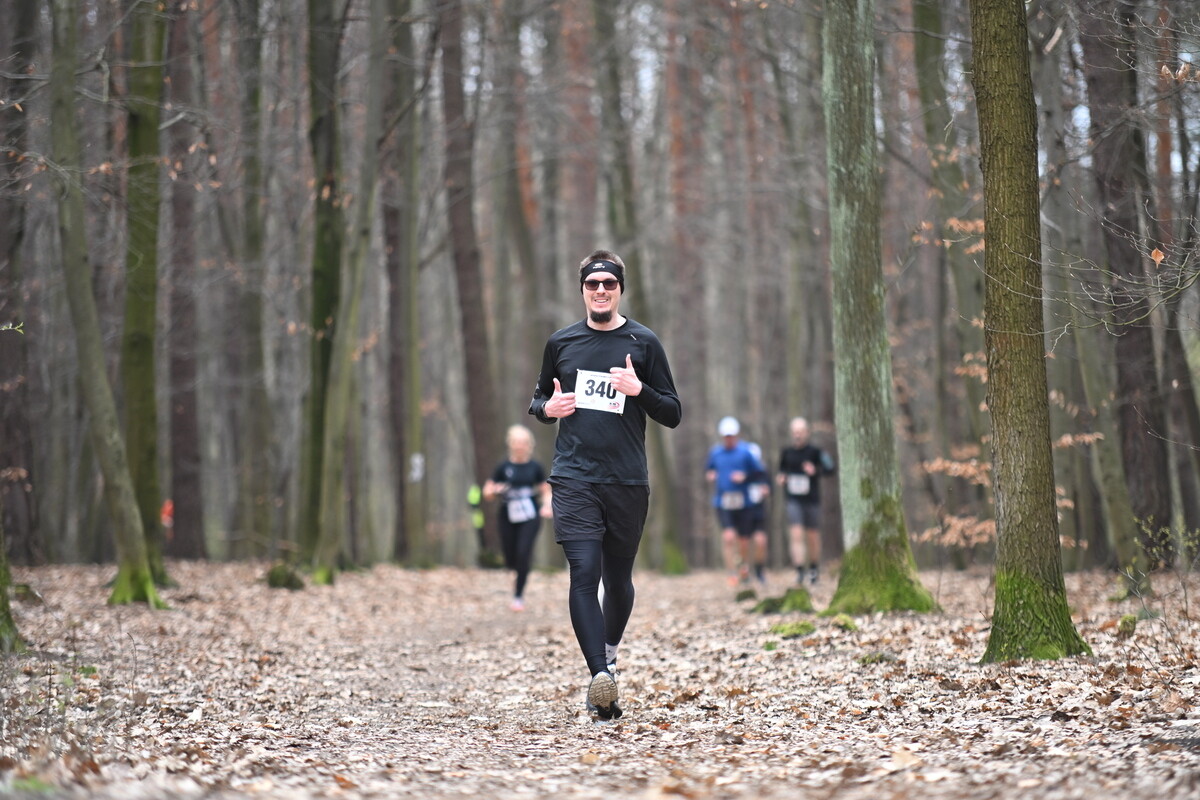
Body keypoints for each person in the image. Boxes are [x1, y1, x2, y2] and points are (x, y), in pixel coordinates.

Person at [528, 249, 681, 721]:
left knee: (618, 581)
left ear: (619, 289)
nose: (599, 291)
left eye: (608, 284)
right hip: (574, 476)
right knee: (583, 573)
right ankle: (600, 677)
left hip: (627, 480)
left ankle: (609, 655)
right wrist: (544, 411)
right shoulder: (561, 343)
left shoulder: (644, 342)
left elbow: (672, 413)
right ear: (581, 290)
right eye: (592, 284)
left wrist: (640, 392)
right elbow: (538, 398)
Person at [483, 424, 552, 612]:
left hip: (530, 515)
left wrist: (547, 506)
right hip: (507, 514)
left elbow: (546, 490)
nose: (520, 446)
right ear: (510, 444)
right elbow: (487, 492)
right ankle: (514, 571)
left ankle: (518, 596)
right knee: (510, 555)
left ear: (530, 445)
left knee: (524, 552)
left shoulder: (535, 467)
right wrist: (495, 491)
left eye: (523, 442)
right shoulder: (503, 467)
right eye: (516, 442)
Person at [706, 417, 767, 588]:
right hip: (723, 501)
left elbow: (759, 473)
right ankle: (731, 573)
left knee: (744, 541)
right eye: (726, 436)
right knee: (728, 536)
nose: (729, 439)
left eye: (731, 436)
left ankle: (744, 569)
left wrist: (745, 477)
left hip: (744, 502)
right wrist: (711, 475)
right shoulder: (716, 453)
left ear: (737, 435)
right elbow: (709, 469)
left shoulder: (746, 452)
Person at [777, 416, 836, 585]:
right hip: (793, 500)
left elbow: (830, 468)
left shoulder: (815, 452)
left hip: (812, 500)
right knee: (796, 534)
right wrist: (781, 478)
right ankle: (799, 571)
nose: (798, 435)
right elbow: (781, 472)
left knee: (812, 536)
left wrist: (815, 471)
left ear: (807, 433)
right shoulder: (786, 452)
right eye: (795, 432)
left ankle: (814, 570)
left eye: (801, 432)